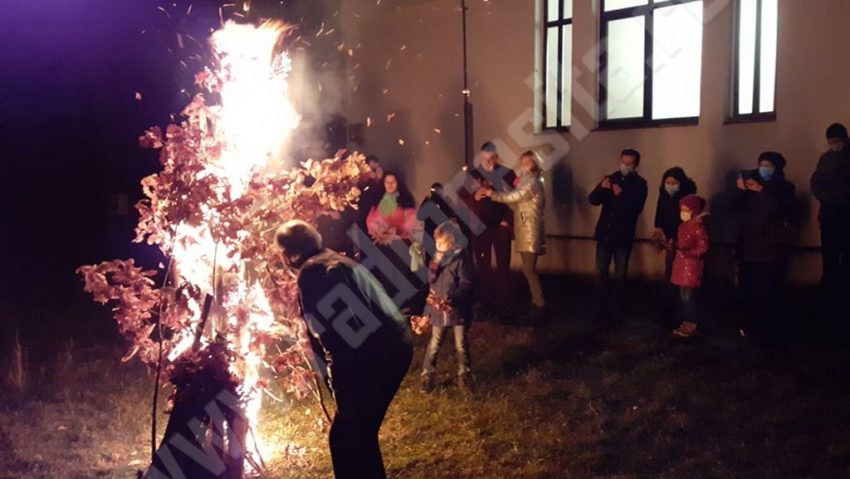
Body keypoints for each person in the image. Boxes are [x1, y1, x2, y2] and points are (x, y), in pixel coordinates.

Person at [275, 220, 413, 479]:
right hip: (395, 345)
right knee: (359, 434)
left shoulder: (314, 274)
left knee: (346, 439)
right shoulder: (334, 260)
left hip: (377, 355)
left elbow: (336, 340)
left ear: (288, 255)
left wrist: (343, 395)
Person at [736, 151, 795, 342]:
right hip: (749, 248)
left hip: (771, 250)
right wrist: (740, 190)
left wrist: (762, 190)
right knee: (749, 290)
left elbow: (779, 208)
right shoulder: (749, 190)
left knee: (768, 291)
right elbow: (737, 210)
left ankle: (769, 331)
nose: (764, 168)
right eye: (762, 164)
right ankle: (749, 327)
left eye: (768, 165)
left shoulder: (784, 188)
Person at [478, 150, 547, 313]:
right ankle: (536, 301)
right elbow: (515, 203)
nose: (523, 166)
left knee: (529, 270)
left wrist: (492, 194)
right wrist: (501, 193)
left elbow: (515, 197)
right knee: (528, 269)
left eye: (527, 163)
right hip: (525, 230)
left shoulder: (532, 182)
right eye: (522, 162)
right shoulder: (526, 180)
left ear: (535, 164)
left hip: (530, 231)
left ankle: (540, 304)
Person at [588, 148, 648, 318]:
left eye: (629, 164)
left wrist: (622, 195)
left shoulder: (639, 184)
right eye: (623, 162)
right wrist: (602, 188)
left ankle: (618, 308)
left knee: (620, 274)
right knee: (600, 273)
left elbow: (636, 208)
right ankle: (600, 308)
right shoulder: (611, 178)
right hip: (605, 234)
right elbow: (592, 200)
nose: (625, 166)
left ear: (636, 164)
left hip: (623, 236)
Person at [420, 221, 475, 392]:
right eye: (437, 242)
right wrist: (427, 309)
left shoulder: (460, 259)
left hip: (456, 310)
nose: (438, 245)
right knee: (435, 343)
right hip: (438, 310)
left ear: (451, 242)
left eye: (442, 243)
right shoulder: (436, 259)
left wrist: (453, 298)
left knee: (461, 344)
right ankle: (427, 375)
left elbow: (467, 283)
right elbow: (431, 283)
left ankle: (464, 374)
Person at [468, 142, 516, 309]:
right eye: (484, 160)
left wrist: (508, 221)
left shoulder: (507, 174)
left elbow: (516, 199)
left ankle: (503, 300)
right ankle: (485, 299)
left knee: (503, 264)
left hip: (500, 225)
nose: (487, 163)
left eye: (491, 159)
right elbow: (462, 199)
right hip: (480, 227)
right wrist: (474, 197)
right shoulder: (473, 175)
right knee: (483, 265)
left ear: (496, 157)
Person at [811, 123, 850, 325]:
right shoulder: (826, 159)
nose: (833, 145)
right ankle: (830, 307)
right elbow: (816, 183)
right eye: (831, 142)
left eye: (836, 141)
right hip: (830, 217)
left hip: (842, 217)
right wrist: (827, 198)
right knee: (830, 262)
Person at [652, 167, 698, 322]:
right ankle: (668, 310)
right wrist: (660, 231)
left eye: (674, 182)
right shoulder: (664, 195)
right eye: (668, 182)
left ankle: (684, 313)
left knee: (682, 278)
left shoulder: (687, 199)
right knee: (670, 274)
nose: (670, 185)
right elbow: (660, 214)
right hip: (670, 241)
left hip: (682, 243)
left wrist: (678, 239)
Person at [670, 195, 710, 338]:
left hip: (691, 266)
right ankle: (687, 320)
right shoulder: (683, 226)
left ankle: (692, 322)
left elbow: (703, 247)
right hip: (682, 266)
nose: (683, 213)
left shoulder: (698, 227)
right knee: (684, 295)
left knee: (688, 296)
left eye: (686, 210)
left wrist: (690, 253)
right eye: (682, 210)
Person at [417, 182, 459, 263]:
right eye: (434, 190)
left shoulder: (445, 202)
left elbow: (452, 215)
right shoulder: (428, 202)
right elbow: (420, 216)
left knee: (442, 260)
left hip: (442, 237)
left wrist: (442, 203)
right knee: (430, 261)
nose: (436, 192)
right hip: (430, 236)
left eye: (438, 190)